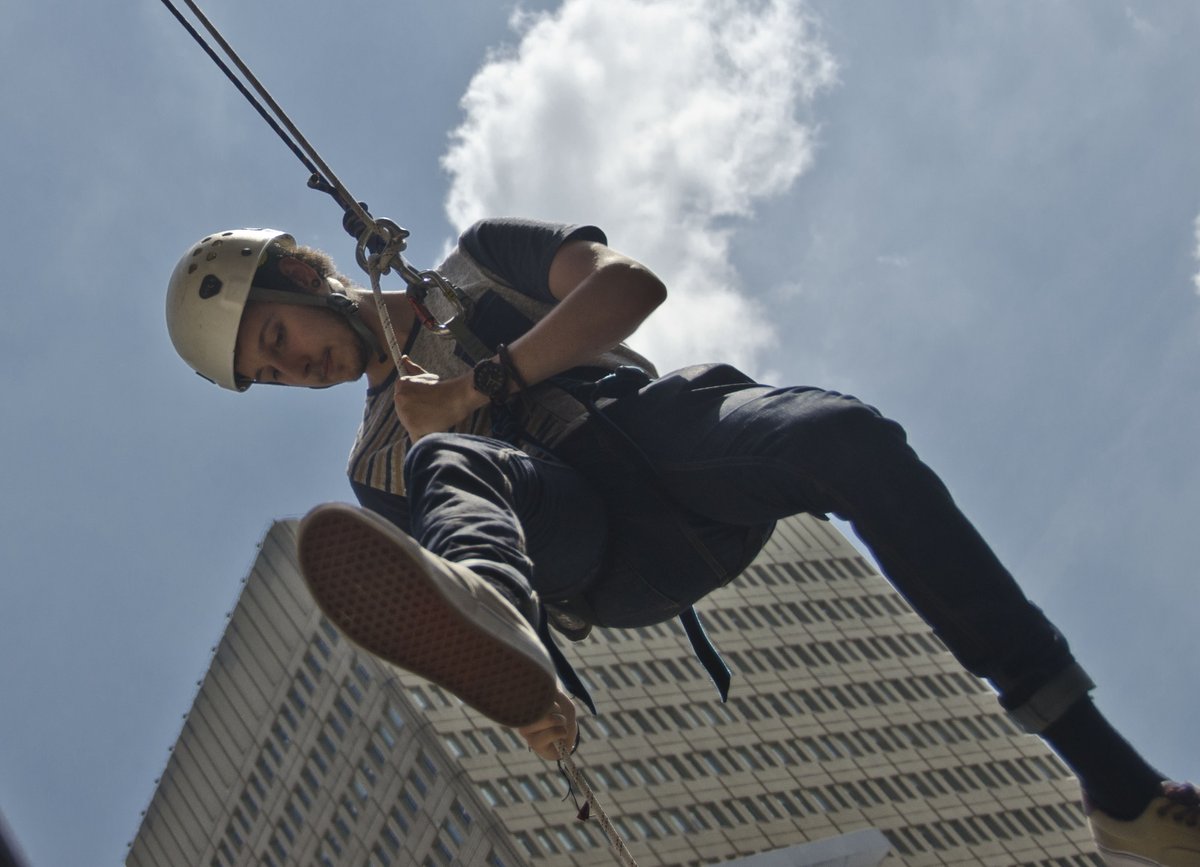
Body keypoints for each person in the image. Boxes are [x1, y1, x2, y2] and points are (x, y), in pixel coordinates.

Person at [166, 219, 1196, 866]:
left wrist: (479, 384)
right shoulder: (374, 459)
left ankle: (1119, 791)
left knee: (843, 436)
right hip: (594, 547)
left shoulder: (476, 268)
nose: (295, 371)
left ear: (303, 272)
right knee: (448, 467)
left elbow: (627, 289)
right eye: (272, 377)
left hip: (665, 443)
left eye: (276, 341)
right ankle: (503, 614)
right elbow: (423, 548)